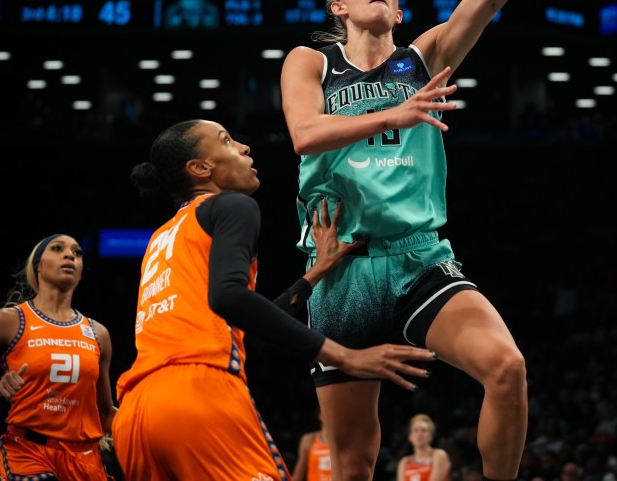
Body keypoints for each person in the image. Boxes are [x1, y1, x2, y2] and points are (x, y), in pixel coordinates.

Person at [278, 0, 612, 481]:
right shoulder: (312, 62)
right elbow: (304, 134)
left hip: (416, 256)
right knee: (352, 458)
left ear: (399, 10)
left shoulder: (422, 58)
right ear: (339, 8)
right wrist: (394, 116)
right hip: (341, 267)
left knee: (507, 369)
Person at [111, 119, 437, 481]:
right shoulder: (231, 206)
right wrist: (343, 354)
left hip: (136, 409)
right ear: (200, 169)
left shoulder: (163, 235)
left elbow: (245, 318)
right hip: (198, 395)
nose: (245, 147)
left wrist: (315, 274)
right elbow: (228, 297)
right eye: (227, 141)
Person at [0, 233, 117, 481]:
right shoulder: (7, 321)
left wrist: (146, 423)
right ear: (38, 265)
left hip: (85, 459)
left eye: (77, 253)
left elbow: (104, 414)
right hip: (29, 452)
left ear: (81, 272)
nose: (70, 255)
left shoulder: (98, 333)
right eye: (58, 249)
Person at [396, 413, 451, 481]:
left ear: (431, 436)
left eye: (424, 430)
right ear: (410, 436)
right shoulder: (404, 462)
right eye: (416, 430)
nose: (419, 434)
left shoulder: (438, 455)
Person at [293, 407, 332, 481]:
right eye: (327, 411)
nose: (331, 416)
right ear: (320, 415)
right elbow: (298, 475)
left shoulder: (345, 443)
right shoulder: (309, 440)